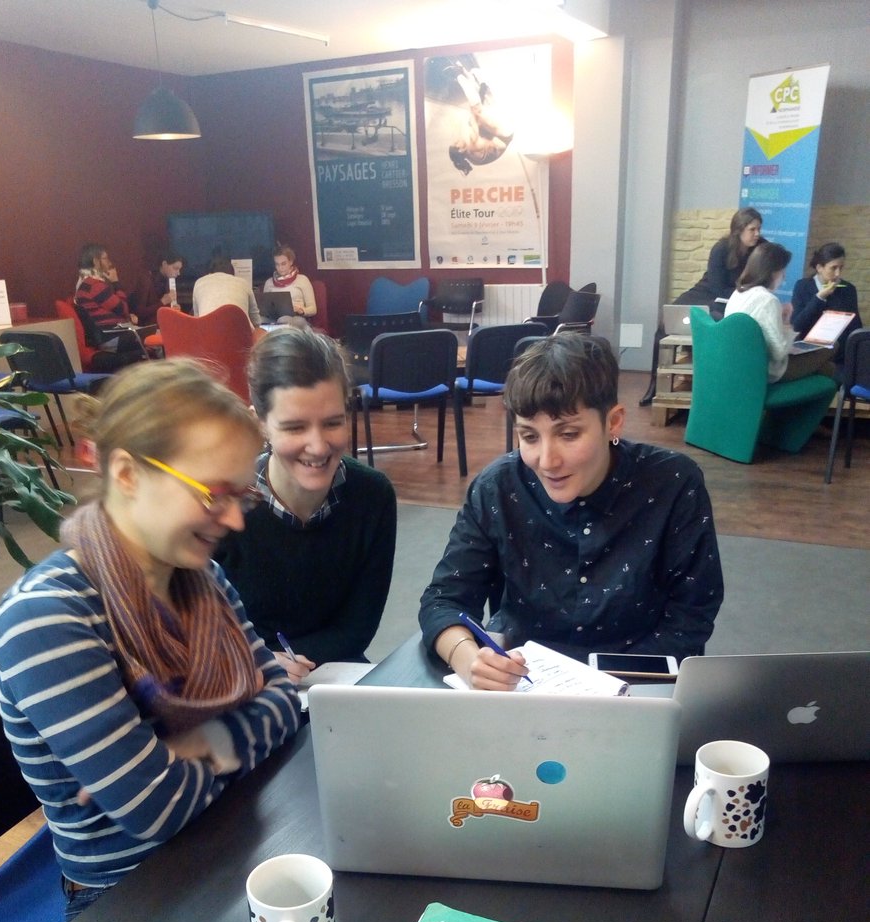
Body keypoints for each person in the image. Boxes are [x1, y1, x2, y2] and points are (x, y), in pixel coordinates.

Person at [0, 359, 301, 919]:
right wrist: (237, 737)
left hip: (233, 840)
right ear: (128, 474)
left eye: (242, 497)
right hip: (131, 898)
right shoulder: (47, 617)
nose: (236, 521)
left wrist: (208, 741)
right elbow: (156, 809)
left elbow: (284, 701)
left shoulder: (203, 579)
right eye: (213, 493)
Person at [419, 333, 723, 690]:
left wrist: (611, 687)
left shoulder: (673, 483)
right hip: (522, 683)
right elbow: (444, 599)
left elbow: (691, 614)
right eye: (529, 437)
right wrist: (469, 659)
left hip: (635, 682)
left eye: (568, 434)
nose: (547, 461)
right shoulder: (497, 487)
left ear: (613, 422)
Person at [215, 326, 396, 682]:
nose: (318, 446)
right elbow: (202, 634)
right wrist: (259, 661)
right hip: (242, 679)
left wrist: (288, 663)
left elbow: (357, 629)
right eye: (295, 428)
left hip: (335, 674)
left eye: (332, 423)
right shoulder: (224, 507)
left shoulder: (372, 496)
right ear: (259, 425)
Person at [640, 207, 764, 404]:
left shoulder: (760, 248)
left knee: (716, 320)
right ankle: (655, 383)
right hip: (707, 293)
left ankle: (711, 385)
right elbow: (716, 287)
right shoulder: (721, 248)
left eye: (759, 229)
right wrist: (742, 294)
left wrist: (745, 296)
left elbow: (768, 268)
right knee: (666, 322)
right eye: (752, 229)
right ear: (739, 230)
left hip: (731, 299)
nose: (757, 233)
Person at [724, 241, 833, 382]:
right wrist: (787, 325)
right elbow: (779, 353)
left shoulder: (738, 292)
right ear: (772, 272)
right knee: (830, 348)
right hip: (767, 371)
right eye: (783, 271)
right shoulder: (768, 300)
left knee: (826, 368)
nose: (784, 276)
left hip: (739, 365)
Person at [74, 241, 145, 366]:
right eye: (106, 258)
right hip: (111, 338)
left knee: (151, 336)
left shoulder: (85, 284)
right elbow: (123, 309)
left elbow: (113, 310)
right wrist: (116, 282)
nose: (110, 263)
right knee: (157, 335)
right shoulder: (94, 285)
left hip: (109, 335)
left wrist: (127, 318)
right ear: (96, 261)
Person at [791, 242, 862, 363]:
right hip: (810, 354)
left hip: (839, 355)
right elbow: (797, 325)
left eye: (840, 268)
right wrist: (819, 297)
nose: (837, 273)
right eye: (833, 268)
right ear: (819, 268)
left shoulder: (848, 289)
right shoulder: (803, 286)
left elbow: (855, 326)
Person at [447, 61, 515, 175]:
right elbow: (476, 114)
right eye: (456, 143)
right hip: (504, 134)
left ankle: (470, 78)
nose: (458, 139)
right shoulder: (472, 147)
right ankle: (460, 75)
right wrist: (461, 77)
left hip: (500, 134)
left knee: (476, 117)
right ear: (461, 150)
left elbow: (477, 122)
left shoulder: (471, 154)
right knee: (477, 113)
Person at [192, 255, 262, 327]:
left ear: (209, 273)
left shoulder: (198, 283)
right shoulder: (244, 283)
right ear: (232, 272)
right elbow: (256, 321)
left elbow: (197, 320)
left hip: (207, 332)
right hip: (239, 333)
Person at [262, 244, 317, 329]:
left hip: (297, 317)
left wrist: (301, 310)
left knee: (284, 320)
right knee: (258, 320)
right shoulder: (269, 283)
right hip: (274, 318)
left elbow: (313, 309)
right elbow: (265, 308)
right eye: (277, 264)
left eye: (283, 264)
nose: (280, 268)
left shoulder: (302, 280)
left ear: (290, 262)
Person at [128, 250, 183, 325]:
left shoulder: (168, 281)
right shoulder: (146, 280)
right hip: (147, 327)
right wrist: (162, 303)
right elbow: (139, 313)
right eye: (175, 268)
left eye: (179, 269)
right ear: (164, 264)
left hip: (162, 325)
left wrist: (173, 309)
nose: (178, 273)